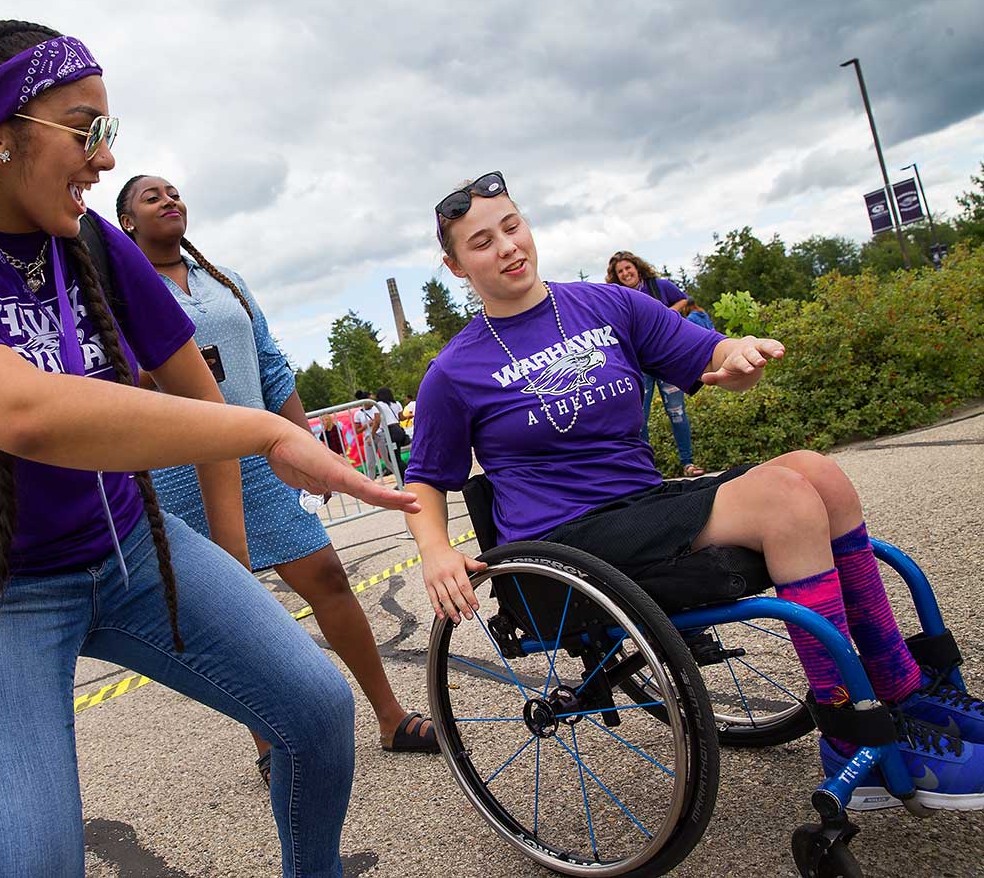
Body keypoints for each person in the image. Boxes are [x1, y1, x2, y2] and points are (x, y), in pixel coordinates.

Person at [0, 21, 417, 877]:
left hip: (131, 549)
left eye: (111, 133)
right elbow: (24, 413)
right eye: (85, 129)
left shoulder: (97, 246)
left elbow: (202, 410)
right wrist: (270, 428)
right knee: (29, 860)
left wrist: (232, 562)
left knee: (317, 710)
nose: (104, 160)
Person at [404, 170, 984, 810]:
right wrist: (435, 550)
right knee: (785, 500)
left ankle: (904, 693)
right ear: (456, 266)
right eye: (482, 242)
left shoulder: (609, 305)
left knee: (819, 472)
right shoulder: (453, 372)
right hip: (568, 539)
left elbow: (709, 356)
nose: (508, 247)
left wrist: (738, 354)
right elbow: (428, 478)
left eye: (512, 226)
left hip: (646, 505)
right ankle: (851, 739)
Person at [115, 174, 438, 780]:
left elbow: (268, 362)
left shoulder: (225, 281)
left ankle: (390, 716)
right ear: (126, 221)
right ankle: (269, 742)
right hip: (176, 468)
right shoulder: (118, 290)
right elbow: (110, 378)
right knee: (235, 609)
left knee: (328, 577)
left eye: (175, 192)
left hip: (254, 455)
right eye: (151, 197)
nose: (170, 200)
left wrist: (305, 445)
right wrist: (160, 376)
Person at [608, 250, 706, 477]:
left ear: (637, 267)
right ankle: (645, 468)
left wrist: (665, 314)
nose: (625, 273)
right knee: (638, 416)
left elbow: (683, 299)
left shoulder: (657, 286)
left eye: (627, 268)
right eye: (620, 271)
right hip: (639, 363)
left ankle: (688, 463)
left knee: (677, 411)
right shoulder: (617, 296)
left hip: (666, 360)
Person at [375, 385, 412, 476]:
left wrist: (372, 433)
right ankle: (404, 478)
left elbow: (377, 421)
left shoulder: (378, 405)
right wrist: (409, 416)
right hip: (399, 429)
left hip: (391, 432)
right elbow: (401, 418)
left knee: (394, 458)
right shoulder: (397, 404)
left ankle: (406, 477)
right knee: (395, 457)